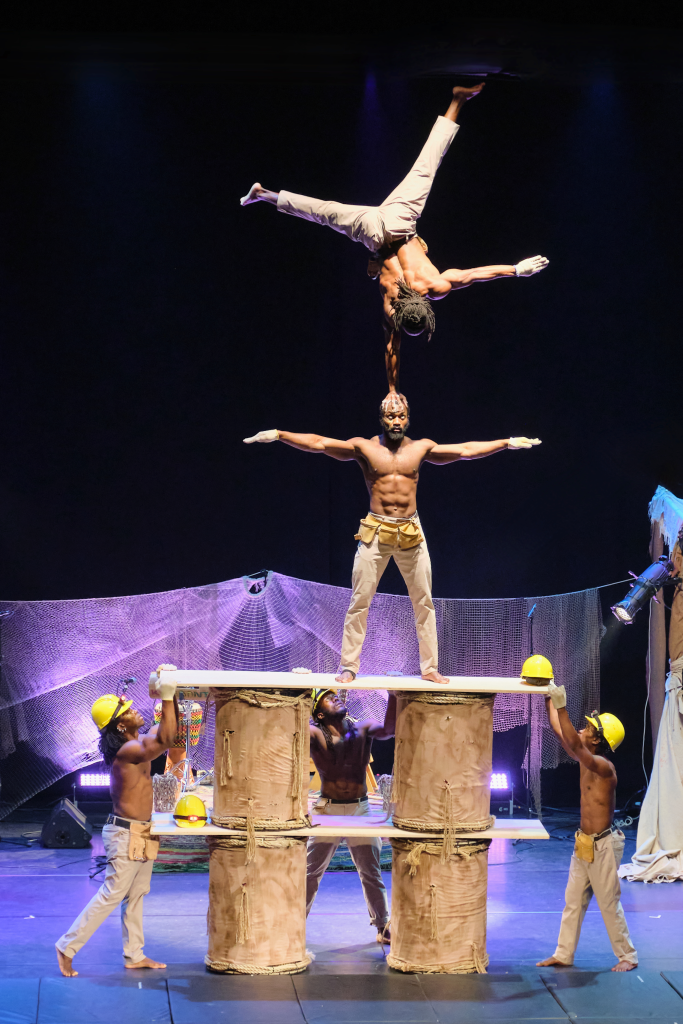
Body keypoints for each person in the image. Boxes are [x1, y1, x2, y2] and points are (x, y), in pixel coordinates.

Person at [240, 83, 548, 355]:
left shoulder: (434, 286)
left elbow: (475, 275)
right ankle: (264, 194)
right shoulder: (391, 304)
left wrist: (517, 270)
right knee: (323, 212)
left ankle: (457, 100)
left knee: (427, 165)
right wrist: (391, 389)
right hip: (374, 234)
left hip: (401, 223)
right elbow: (391, 344)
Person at [243, 402, 540, 684]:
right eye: (390, 416)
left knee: (424, 601)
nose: (396, 421)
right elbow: (319, 443)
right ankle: (349, 666)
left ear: (408, 418)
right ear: (381, 419)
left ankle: (430, 669)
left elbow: (465, 451)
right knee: (360, 600)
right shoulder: (365, 447)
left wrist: (506, 443)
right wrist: (280, 435)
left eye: (400, 416)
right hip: (376, 531)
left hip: (411, 531)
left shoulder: (421, 448)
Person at [55, 666, 178, 977]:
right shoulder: (128, 751)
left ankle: (134, 955)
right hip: (125, 834)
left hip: (142, 831)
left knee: (136, 894)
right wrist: (167, 695)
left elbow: (166, 733)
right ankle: (66, 946)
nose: (134, 710)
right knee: (113, 893)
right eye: (127, 710)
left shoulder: (136, 744)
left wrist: (168, 695)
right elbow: (165, 738)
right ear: (121, 726)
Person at [537, 680, 638, 972]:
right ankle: (563, 954)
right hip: (584, 842)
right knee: (573, 901)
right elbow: (561, 731)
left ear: (597, 741)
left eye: (589, 729)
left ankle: (628, 956)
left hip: (604, 845)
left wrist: (563, 707)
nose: (583, 729)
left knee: (608, 903)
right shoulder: (585, 758)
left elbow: (572, 742)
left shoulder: (604, 767)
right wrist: (548, 696)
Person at [307, 687, 396, 942]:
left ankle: (382, 926)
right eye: (328, 699)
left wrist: (393, 695)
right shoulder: (315, 733)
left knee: (371, 872)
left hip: (360, 808)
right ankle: (293, 924)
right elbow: (294, 729)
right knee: (310, 873)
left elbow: (389, 730)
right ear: (320, 715)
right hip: (327, 809)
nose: (335, 698)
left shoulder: (363, 728)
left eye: (335, 696)